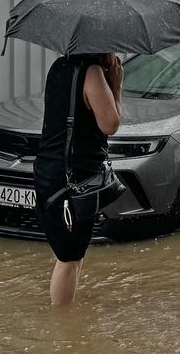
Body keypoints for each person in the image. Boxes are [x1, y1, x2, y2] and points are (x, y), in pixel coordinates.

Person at [33, 53, 122, 306]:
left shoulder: (59, 66)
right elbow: (111, 124)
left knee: (73, 254)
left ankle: (68, 313)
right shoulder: (91, 72)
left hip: (50, 172)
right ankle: (62, 325)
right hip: (71, 182)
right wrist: (116, 86)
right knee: (69, 258)